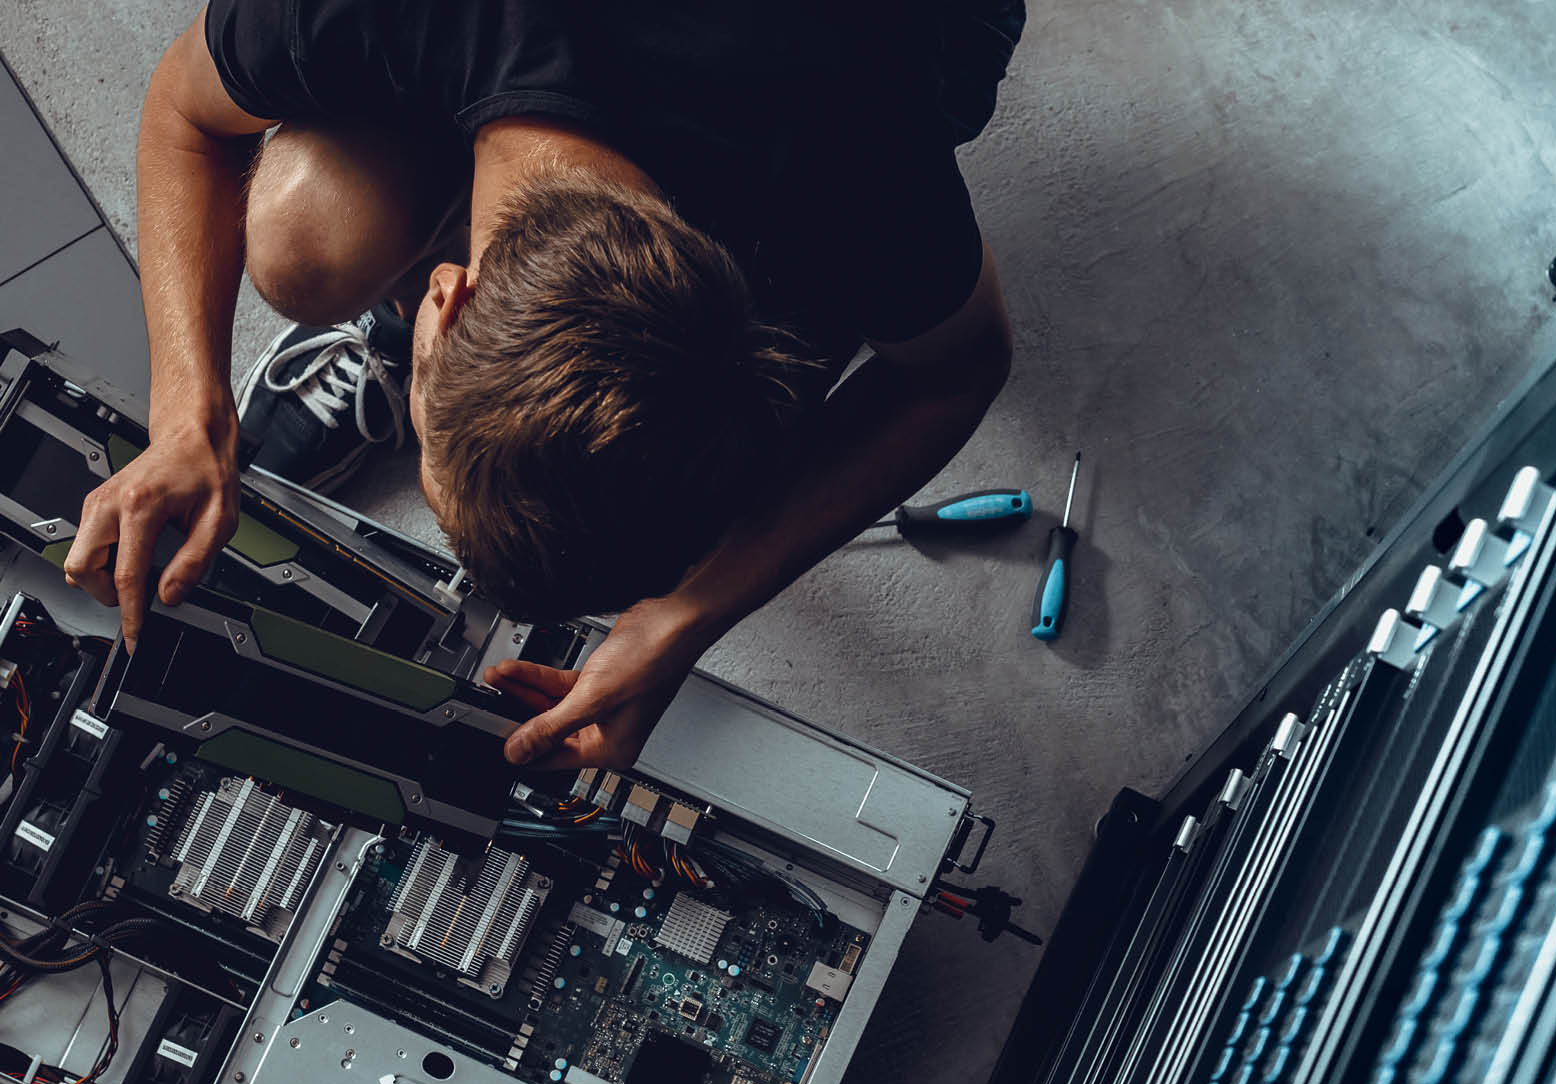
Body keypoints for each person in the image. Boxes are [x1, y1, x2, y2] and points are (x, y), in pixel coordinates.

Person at [64, 2, 1023, 769]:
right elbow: (183, 108)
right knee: (306, 234)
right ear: (444, 301)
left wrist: (680, 618)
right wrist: (186, 409)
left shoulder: (857, 153)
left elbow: (959, 370)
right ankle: (389, 353)